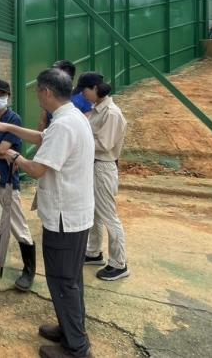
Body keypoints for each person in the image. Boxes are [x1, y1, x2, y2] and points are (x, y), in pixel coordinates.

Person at [0, 69, 95, 358]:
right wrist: (7, 129)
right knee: (70, 278)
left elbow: (36, 168)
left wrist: (14, 156)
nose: (37, 96)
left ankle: (76, 348)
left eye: (38, 92)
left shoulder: (64, 125)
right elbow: (41, 137)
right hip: (75, 213)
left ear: (46, 92)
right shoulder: (70, 118)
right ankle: (71, 329)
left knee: (63, 281)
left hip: (64, 218)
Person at [0, 80, 37, 292]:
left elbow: (2, 148)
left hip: (8, 180)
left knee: (18, 225)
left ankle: (29, 270)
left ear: (8, 96)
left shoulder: (13, 119)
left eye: (2, 94)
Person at [77, 73, 130, 281]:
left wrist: (79, 143)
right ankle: (94, 252)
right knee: (95, 213)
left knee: (108, 215)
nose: (83, 94)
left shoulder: (112, 113)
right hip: (94, 166)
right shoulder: (96, 110)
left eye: (85, 90)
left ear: (95, 89)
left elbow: (103, 145)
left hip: (103, 167)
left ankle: (119, 263)